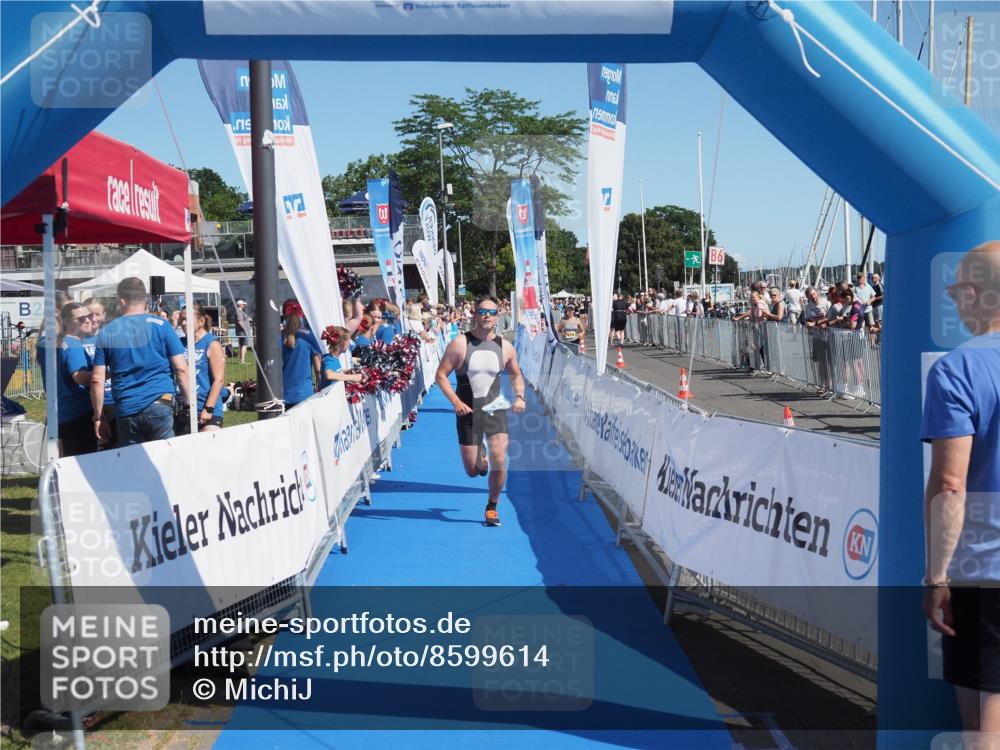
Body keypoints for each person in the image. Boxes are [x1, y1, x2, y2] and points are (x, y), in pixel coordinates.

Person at [921, 241, 1000, 739]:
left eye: (955, 293)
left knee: (983, 724)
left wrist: (935, 577)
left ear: (975, 294)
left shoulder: (958, 369)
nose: (953, 303)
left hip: (984, 568)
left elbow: (951, 485)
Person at [435, 295, 526, 527]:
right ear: (475, 314)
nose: (487, 316)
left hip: (495, 409)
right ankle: (480, 457)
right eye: (482, 311)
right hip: (466, 411)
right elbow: (441, 375)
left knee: (500, 460)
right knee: (473, 471)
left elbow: (516, 373)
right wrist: (455, 401)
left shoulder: (505, 347)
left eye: (492, 312)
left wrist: (519, 396)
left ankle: (492, 507)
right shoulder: (460, 344)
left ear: (498, 317)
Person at [91, 277, 190, 447]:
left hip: (126, 407)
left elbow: (97, 380)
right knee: (164, 460)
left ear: (121, 300)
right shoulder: (162, 325)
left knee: (134, 466)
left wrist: (99, 418)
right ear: (144, 298)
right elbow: (181, 369)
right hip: (160, 402)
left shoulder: (107, 332)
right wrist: (189, 405)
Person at [56, 303, 98, 456]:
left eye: (89, 316)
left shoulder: (63, 343)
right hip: (78, 412)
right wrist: (108, 373)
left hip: (65, 411)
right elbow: (80, 377)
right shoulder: (73, 345)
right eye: (81, 318)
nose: (88, 320)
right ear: (68, 322)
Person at [178, 303, 225, 432]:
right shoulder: (180, 343)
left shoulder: (211, 343)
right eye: (182, 319)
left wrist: (208, 408)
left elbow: (219, 379)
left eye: (187, 319)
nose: (183, 323)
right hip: (184, 409)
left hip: (207, 408)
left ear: (201, 321)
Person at [280, 314, 322, 409]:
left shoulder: (280, 336)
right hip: (304, 394)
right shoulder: (309, 336)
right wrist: (322, 388)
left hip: (283, 393)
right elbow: (318, 368)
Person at [235, 299, 252, 364]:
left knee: (242, 345)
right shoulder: (239, 311)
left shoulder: (241, 311)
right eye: (244, 304)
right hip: (243, 332)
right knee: (244, 345)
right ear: (241, 305)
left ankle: (242, 360)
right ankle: (242, 361)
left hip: (243, 332)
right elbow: (239, 321)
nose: (245, 305)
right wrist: (245, 329)